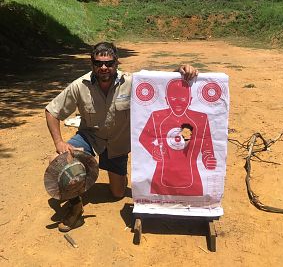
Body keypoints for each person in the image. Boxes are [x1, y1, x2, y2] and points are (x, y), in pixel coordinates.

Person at [45, 42, 198, 232]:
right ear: (92, 63)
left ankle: (111, 175)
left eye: (108, 63)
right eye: (98, 63)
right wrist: (59, 142)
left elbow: (159, 83)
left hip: (118, 143)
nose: (103, 68)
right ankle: (75, 205)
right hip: (90, 138)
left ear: (116, 63)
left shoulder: (132, 82)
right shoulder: (79, 85)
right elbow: (52, 111)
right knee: (57, 159)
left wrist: (180, 71)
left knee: (117, 193)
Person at [139, 78, 217, 196]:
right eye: (173, 98)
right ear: (167, 100)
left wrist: (208, 158)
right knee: (158, 208)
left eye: (183, 99)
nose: (178, 103)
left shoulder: (200, 118)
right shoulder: (157, 116)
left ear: (190, 100)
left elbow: (207, 146)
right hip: (161, 177)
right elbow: (144, 137)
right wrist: (153, 149)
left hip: (192, 179)